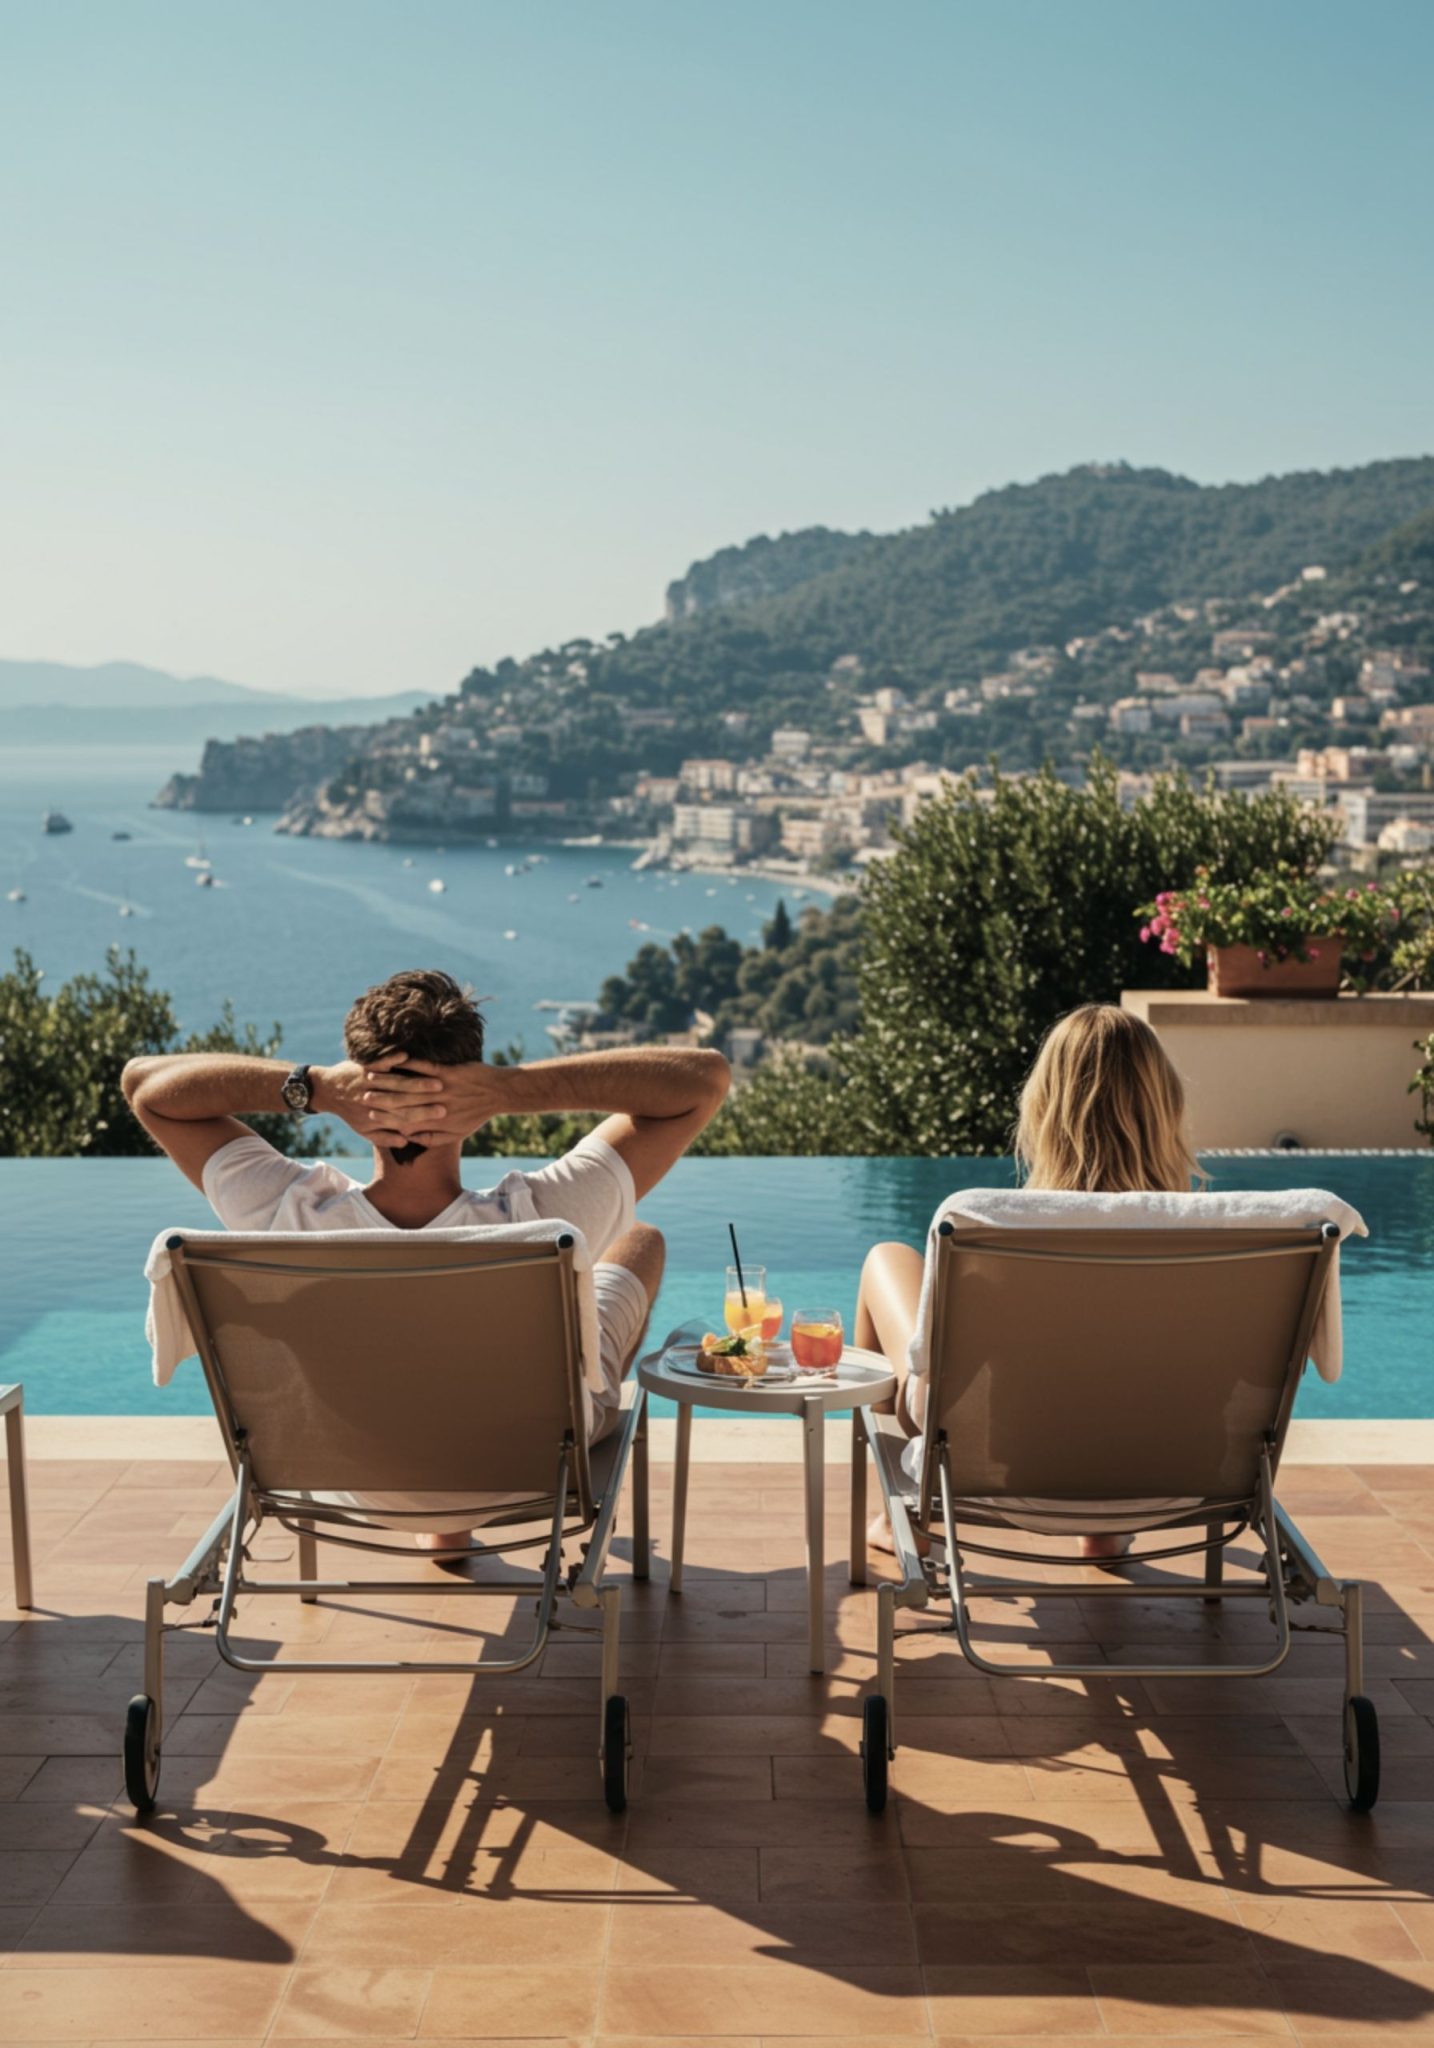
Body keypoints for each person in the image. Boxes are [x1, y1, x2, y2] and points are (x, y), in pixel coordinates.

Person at [123, 967, 730, 1542]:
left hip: (348, 1475)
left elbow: (145, 1085)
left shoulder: (286, 1216)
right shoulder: (544, 1220)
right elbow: (703, 1080)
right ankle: (463, 1495)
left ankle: (440, 1518)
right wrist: (512, 1090)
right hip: (524, 1468)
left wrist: (315, 1089)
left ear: (358, 1091)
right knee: (639, 1239)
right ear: (472, 1091)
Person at [855, 1003, 1200, 1560]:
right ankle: (1105, 1530)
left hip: (1006, 1479)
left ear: (1044, 1108)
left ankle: (901, 1516)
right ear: (1167, 1107)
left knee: (885, 1260)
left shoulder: (990, 1228)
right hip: (1161, 1484)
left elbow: (929, 1392)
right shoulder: (1218, 1241)